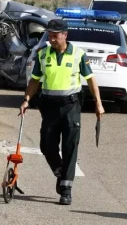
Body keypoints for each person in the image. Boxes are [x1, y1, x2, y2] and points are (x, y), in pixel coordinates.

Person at [19, 18, 105, 205]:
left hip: (71, 106)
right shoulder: (43, 55)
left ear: (65, 35)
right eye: (49, 35)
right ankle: (60, 172)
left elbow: (90, 79)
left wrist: (98, 103)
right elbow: (35, 80)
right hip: (49, 107)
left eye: (55, 35)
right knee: (46, 146)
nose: (51, 39)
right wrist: (26, 99)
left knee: (69, 147)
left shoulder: (78, 55)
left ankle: (66, 189)